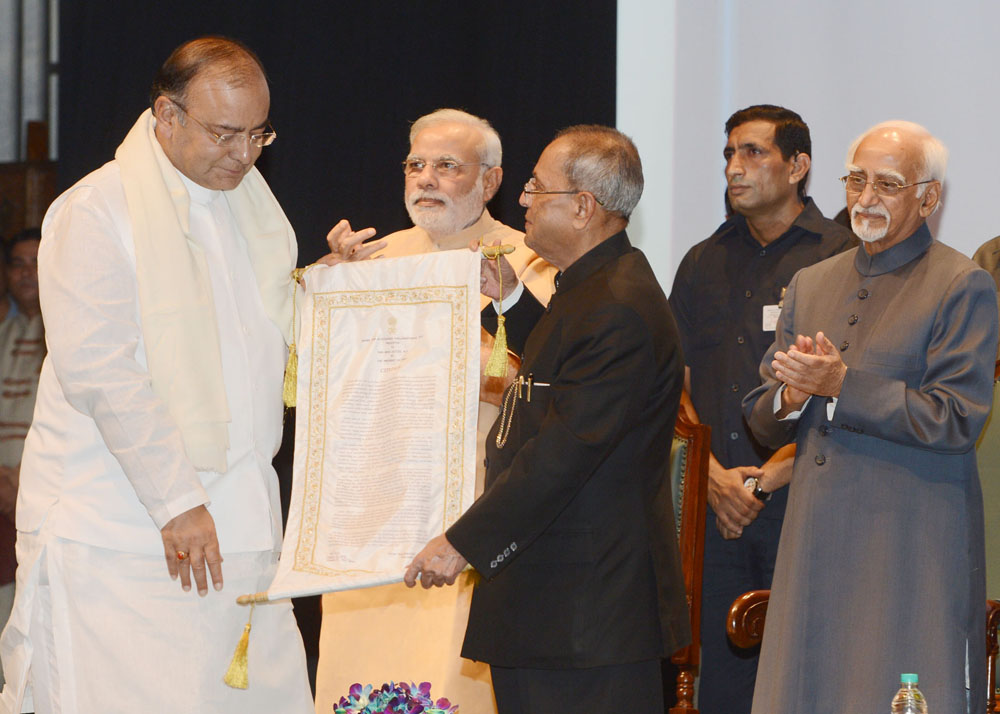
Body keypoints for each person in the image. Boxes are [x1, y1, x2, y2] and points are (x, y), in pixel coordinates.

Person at [0, 37, 313, 713]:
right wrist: (176, 499)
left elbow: (265, 336)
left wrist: (331, 289)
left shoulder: (246, 207)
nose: (246, 154)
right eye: (225, 133)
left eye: (259, 133)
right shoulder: (96, 211)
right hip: (122, 526)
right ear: (166, 116)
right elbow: (102, 371)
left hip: (237, 519)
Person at [404, 125, 690, 713]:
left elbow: (563, 452)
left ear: (584, 207)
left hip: (588, 613)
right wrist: (511, 301)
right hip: (557, 601)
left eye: (537, 187)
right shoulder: (592, 289)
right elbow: (560, 372)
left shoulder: (617, 306)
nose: (525, 201)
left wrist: (462, 541)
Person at [742, 120, 996, 713]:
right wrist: (793, 397)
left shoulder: (963, 284)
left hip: (907, 542)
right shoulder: (811, 282)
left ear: (929, 197)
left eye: (887, 184)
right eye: (856, 180)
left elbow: (956, 417)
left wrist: (841, 385)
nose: (865, 198)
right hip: (814, 539)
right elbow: (761, 415)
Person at [316, 108, 556, 714]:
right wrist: (325, 288)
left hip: (469, 501)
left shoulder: (530, 263)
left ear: (492, 181)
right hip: (373, 505)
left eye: (447, 166)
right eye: (415, 165)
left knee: (448, 673)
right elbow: (324, 377)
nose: (426, 179)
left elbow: (558, 386)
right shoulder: (376, 258)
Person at [667, 105, 855, 714]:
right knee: (717, 683)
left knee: (805, 677)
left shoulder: (845, 258)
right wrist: (716, 478)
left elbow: (847, 388)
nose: (735, 168)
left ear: (798, 165)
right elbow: (674, 384)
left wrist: (766, 478)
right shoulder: (702, 260)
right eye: (729, 154)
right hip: (713, 504)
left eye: (752, 152)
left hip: (808, 500)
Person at [0, 229, 44, 690]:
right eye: (18, 264)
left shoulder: (70, 330)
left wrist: (22, 480)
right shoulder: (4, 333)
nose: (27, 273)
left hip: (47, 497)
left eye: (37, 261)